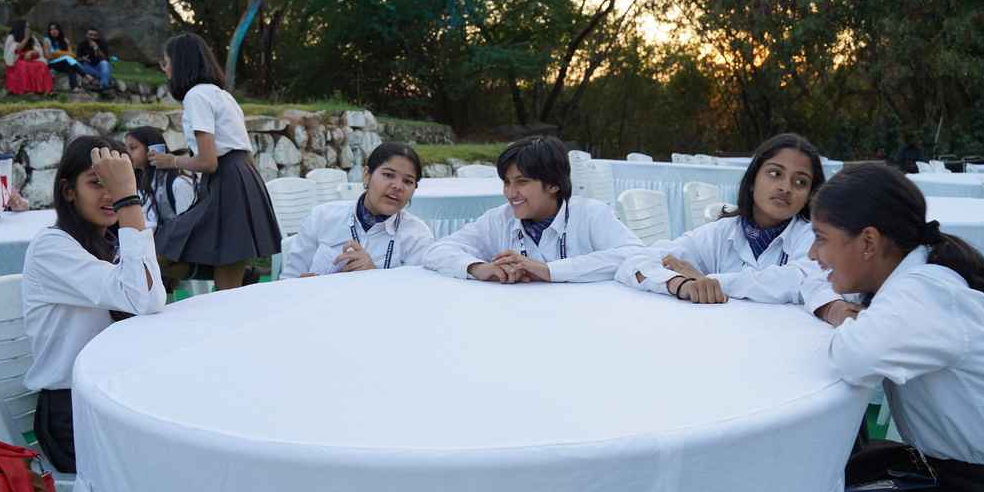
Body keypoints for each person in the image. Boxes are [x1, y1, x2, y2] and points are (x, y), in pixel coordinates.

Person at [808, 163, 984, 492]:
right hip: (967, 477)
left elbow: (854, 357)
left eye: (821, 238)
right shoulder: (915, 278)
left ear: (868, 242)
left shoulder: (925, 292)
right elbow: (801, 280)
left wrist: (841, 315)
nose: (813, 254)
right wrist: (839, 308)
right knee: (829, 491)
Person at [21, 136, 166, 473]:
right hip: (72, 412)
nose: (109, 194)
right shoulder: (51, 248)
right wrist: (128, 200)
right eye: (96, 183)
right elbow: (144, 298)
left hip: (115, 398)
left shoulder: (111, 243)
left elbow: (148, 296)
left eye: (116, 182)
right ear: (68, 191)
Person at [614, 133, 853, 323]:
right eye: (775, 173)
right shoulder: (721, 232)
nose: (785, 187)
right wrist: (682, 284)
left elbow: (799, 280)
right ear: (752, 180)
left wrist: (710, 280)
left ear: (810, 194)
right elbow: (636, 262)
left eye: (800, 182)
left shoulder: (813, 237)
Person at [151, 32, 281, 290]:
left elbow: (208, 161)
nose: (164, 69)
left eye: (166, 62)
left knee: (161, 249)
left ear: (180, 63)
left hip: (226, 180)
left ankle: (241, 276)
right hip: (243, 177)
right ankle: (244, 275)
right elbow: (242, 151)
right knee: (226, 279)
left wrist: (171, 161)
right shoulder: (223, 95)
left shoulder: (196, 97)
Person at [423, 136, 643, 283]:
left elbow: (635, 254)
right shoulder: (499, 219)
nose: (510, 193)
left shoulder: (590, 214)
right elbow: (436, 251)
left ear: (553, 184)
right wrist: (478, 268)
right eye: (506, 182)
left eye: (522, 182)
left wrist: (549, 270)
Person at [283, 143, 433, 278]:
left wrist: (374, 275)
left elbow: (415, 294)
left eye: (408, 181)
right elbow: (288, 279)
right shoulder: (322, 217)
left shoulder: (417, 236)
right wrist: (304, 286)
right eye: (388, 175)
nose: (398, 186)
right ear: (367, 175)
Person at [124, 126, 196, 231]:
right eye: (126, 149)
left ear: (152, 149)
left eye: (133, 148)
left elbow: (188, 226)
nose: (127, 154)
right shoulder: (140, 184)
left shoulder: (178, 184)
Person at [3, 19, 53, 95]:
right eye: (26, 27)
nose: (28, 29)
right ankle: (27, 90)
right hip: (16, 60)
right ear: (20, 28)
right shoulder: (12, 37)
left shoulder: (32, 37)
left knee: (42, 65)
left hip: (30, 58)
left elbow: (38, 50)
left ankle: (44, 89)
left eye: (29, 27)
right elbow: (15, 49)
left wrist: (31, 52)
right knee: (24, 65)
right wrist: (26, 38)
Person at [42, 22, 83, 92]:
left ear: (59, 30)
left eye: (55, 29)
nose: (53, 31)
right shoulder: (47, 40)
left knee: (70, 65)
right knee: (68, 60)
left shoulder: (65, 40)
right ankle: (86, 76)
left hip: (65, 64)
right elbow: (47, 56)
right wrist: (61, 55)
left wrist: (63, 53)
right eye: (51, 29)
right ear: (49, 31)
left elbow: (71, 55)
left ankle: (74, 87)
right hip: (53, 63)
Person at [75, 26, 113, 90]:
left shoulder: (102, 43)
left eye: (95, 35)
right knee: (78, 65)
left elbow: (105, 59)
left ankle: (103, 86)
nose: (92, 37)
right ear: (86, 35)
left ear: (97, 36)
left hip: (99, 66)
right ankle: (103, 78)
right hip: (87, 66)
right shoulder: (82, 44)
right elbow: (77, 59)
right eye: (90, 35)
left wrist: (97, 48)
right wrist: (83, 59)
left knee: (105, 63)